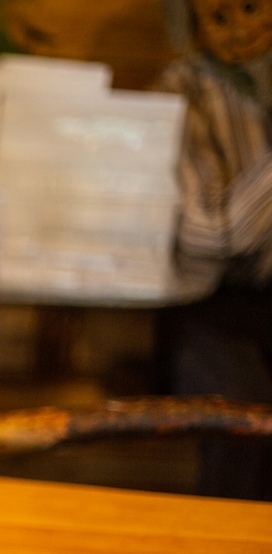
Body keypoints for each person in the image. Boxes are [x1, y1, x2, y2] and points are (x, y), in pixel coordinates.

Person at [156, 0, 272, 499]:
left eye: (252, 6)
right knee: (239, 413)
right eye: (218, 17)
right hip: (211, 306)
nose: (241, 28)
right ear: (194, 29)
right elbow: (211, 233)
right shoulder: (182, 90)